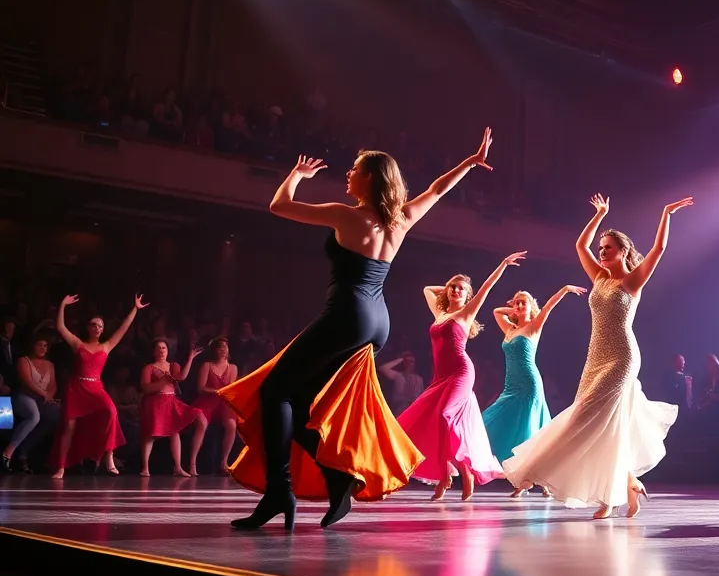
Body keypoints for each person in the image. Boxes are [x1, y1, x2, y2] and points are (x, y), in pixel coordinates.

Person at [221, 130, 492, 531]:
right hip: (377, 320)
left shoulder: (346, 214)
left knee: (275, 392)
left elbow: (279, 205)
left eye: (354, 169)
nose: (348, 174)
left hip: (347, 315)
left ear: (369, 178)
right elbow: (437, 189)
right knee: (300, 404)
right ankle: (336, 476)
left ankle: (282, 490)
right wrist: (469, 162)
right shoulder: (401, 219)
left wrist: (296, 174)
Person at [503, 194, 692, 519]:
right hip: (595, 357)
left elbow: (658, 249)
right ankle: (627, 484)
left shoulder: (632, 281)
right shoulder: (600, 278)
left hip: (621, 356)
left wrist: (666, 213)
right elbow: (580, 246)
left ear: (623, 251)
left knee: (586, 419)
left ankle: (610, 492)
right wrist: (599, 215)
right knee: (605, 423)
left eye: (608, 248)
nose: (601, 252)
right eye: (601, 247)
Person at [396, 256, 526, 501]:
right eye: (452, 287)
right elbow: (426, 289)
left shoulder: (467, 313)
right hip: (440, 376)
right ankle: (445, 475)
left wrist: (502, 265)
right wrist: (448, 287)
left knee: (445, 416)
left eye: (461, 289)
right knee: (430, 421)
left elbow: (486, 288)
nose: (455, 290)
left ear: (468, 296)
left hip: (461, 372)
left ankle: (463, 470)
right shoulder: (440, 311)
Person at [483, 285, 587, 496]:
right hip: (511, 385)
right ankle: (530, 479)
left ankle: (534, 481)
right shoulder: (510, 330)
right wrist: (512, 308)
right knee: (492, 422)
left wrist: (564, 289)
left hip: (529, 384)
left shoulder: (533, 327)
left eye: (524, 302)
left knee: (530, 433)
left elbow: (548, 307)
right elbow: (495, 311)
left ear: (531, 307)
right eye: (517, 302)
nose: (520, 305)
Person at [50, 294, 148, 478]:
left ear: (103, 330)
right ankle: (61, 467)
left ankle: (109, 456)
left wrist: (135, 308)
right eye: (93, 324)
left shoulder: (106, 346)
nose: (96, 327)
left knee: (111, 412)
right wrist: (62, 304)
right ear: (88, 327)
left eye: (100, 325)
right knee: (69, 428)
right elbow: (60, 327)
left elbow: (123, 328)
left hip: (95, 388)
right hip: (76, 388)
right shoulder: (77, 344)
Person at [139, 341, 207, 476]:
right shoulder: (149, 368)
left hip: (171, 401)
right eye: (158, 348)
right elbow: (145, 388)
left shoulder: (173, 366)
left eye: (164, 347)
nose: (161, 350)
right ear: (154, 352)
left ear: (168, 350)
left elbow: (181, 377)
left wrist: (190, 359)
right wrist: (162, 383)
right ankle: (145, 468)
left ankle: (178, 467)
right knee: (151, 434)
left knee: (177, 431)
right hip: (156, 402)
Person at [1, 336, 60, 473]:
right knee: (34, 416)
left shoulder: (50, 364)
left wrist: (49, 397)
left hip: (41, 399)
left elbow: (53, 386)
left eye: (45, 345)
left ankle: (24, 452)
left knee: (57, 415)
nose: (42, 348)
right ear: (32, 345)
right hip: (23, 397)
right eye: (39, 344)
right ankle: (7, 453)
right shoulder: (24, 360)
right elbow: (28, 382)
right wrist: (44, 395)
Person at [193, 337, 239, 474]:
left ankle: (224, 462)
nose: (223, 349)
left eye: (225, 346)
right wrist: (216, 391)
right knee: (201, 425)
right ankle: (192, 463)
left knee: (232, 426)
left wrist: (222, 393)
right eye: (220, 347)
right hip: (207, 400)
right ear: (214, 350)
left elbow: (230, 388)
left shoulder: (232, 367)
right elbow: (201, 388)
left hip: (224, 402)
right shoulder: (207, 365)